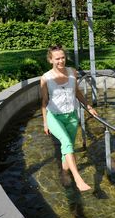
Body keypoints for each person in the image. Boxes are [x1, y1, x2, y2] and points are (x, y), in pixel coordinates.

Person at [40, 45, 98, 191]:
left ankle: (64, 172)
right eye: (57, 58)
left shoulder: (73, 72)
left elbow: (77, 92)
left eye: (63, 57)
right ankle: (78, 179)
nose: (61, 61)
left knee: (68, 148)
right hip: (54, 117)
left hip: (71, 116)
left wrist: (88, 106)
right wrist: (45, 123)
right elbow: (44, 101)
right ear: (50, 60)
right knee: (66, 142)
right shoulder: (46, 78)